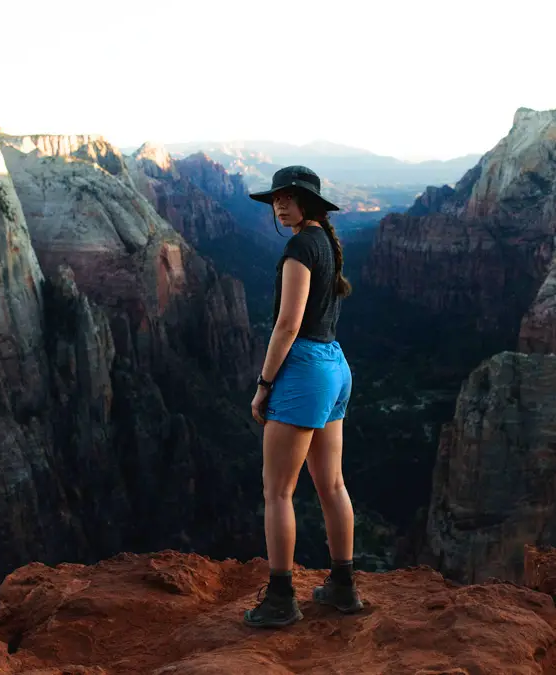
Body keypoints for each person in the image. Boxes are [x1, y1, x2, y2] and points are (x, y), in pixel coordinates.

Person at [242, 165, 362, 628]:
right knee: (331, 484)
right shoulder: (326, 242)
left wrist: (264, 384)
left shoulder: (298, 247)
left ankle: (280, 599)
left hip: (304, 370)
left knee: (277, 492)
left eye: (289, 197)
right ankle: (343, 588)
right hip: (336, 366)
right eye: (276, 197)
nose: (280, 204)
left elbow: (288, 324)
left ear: (308, 200)